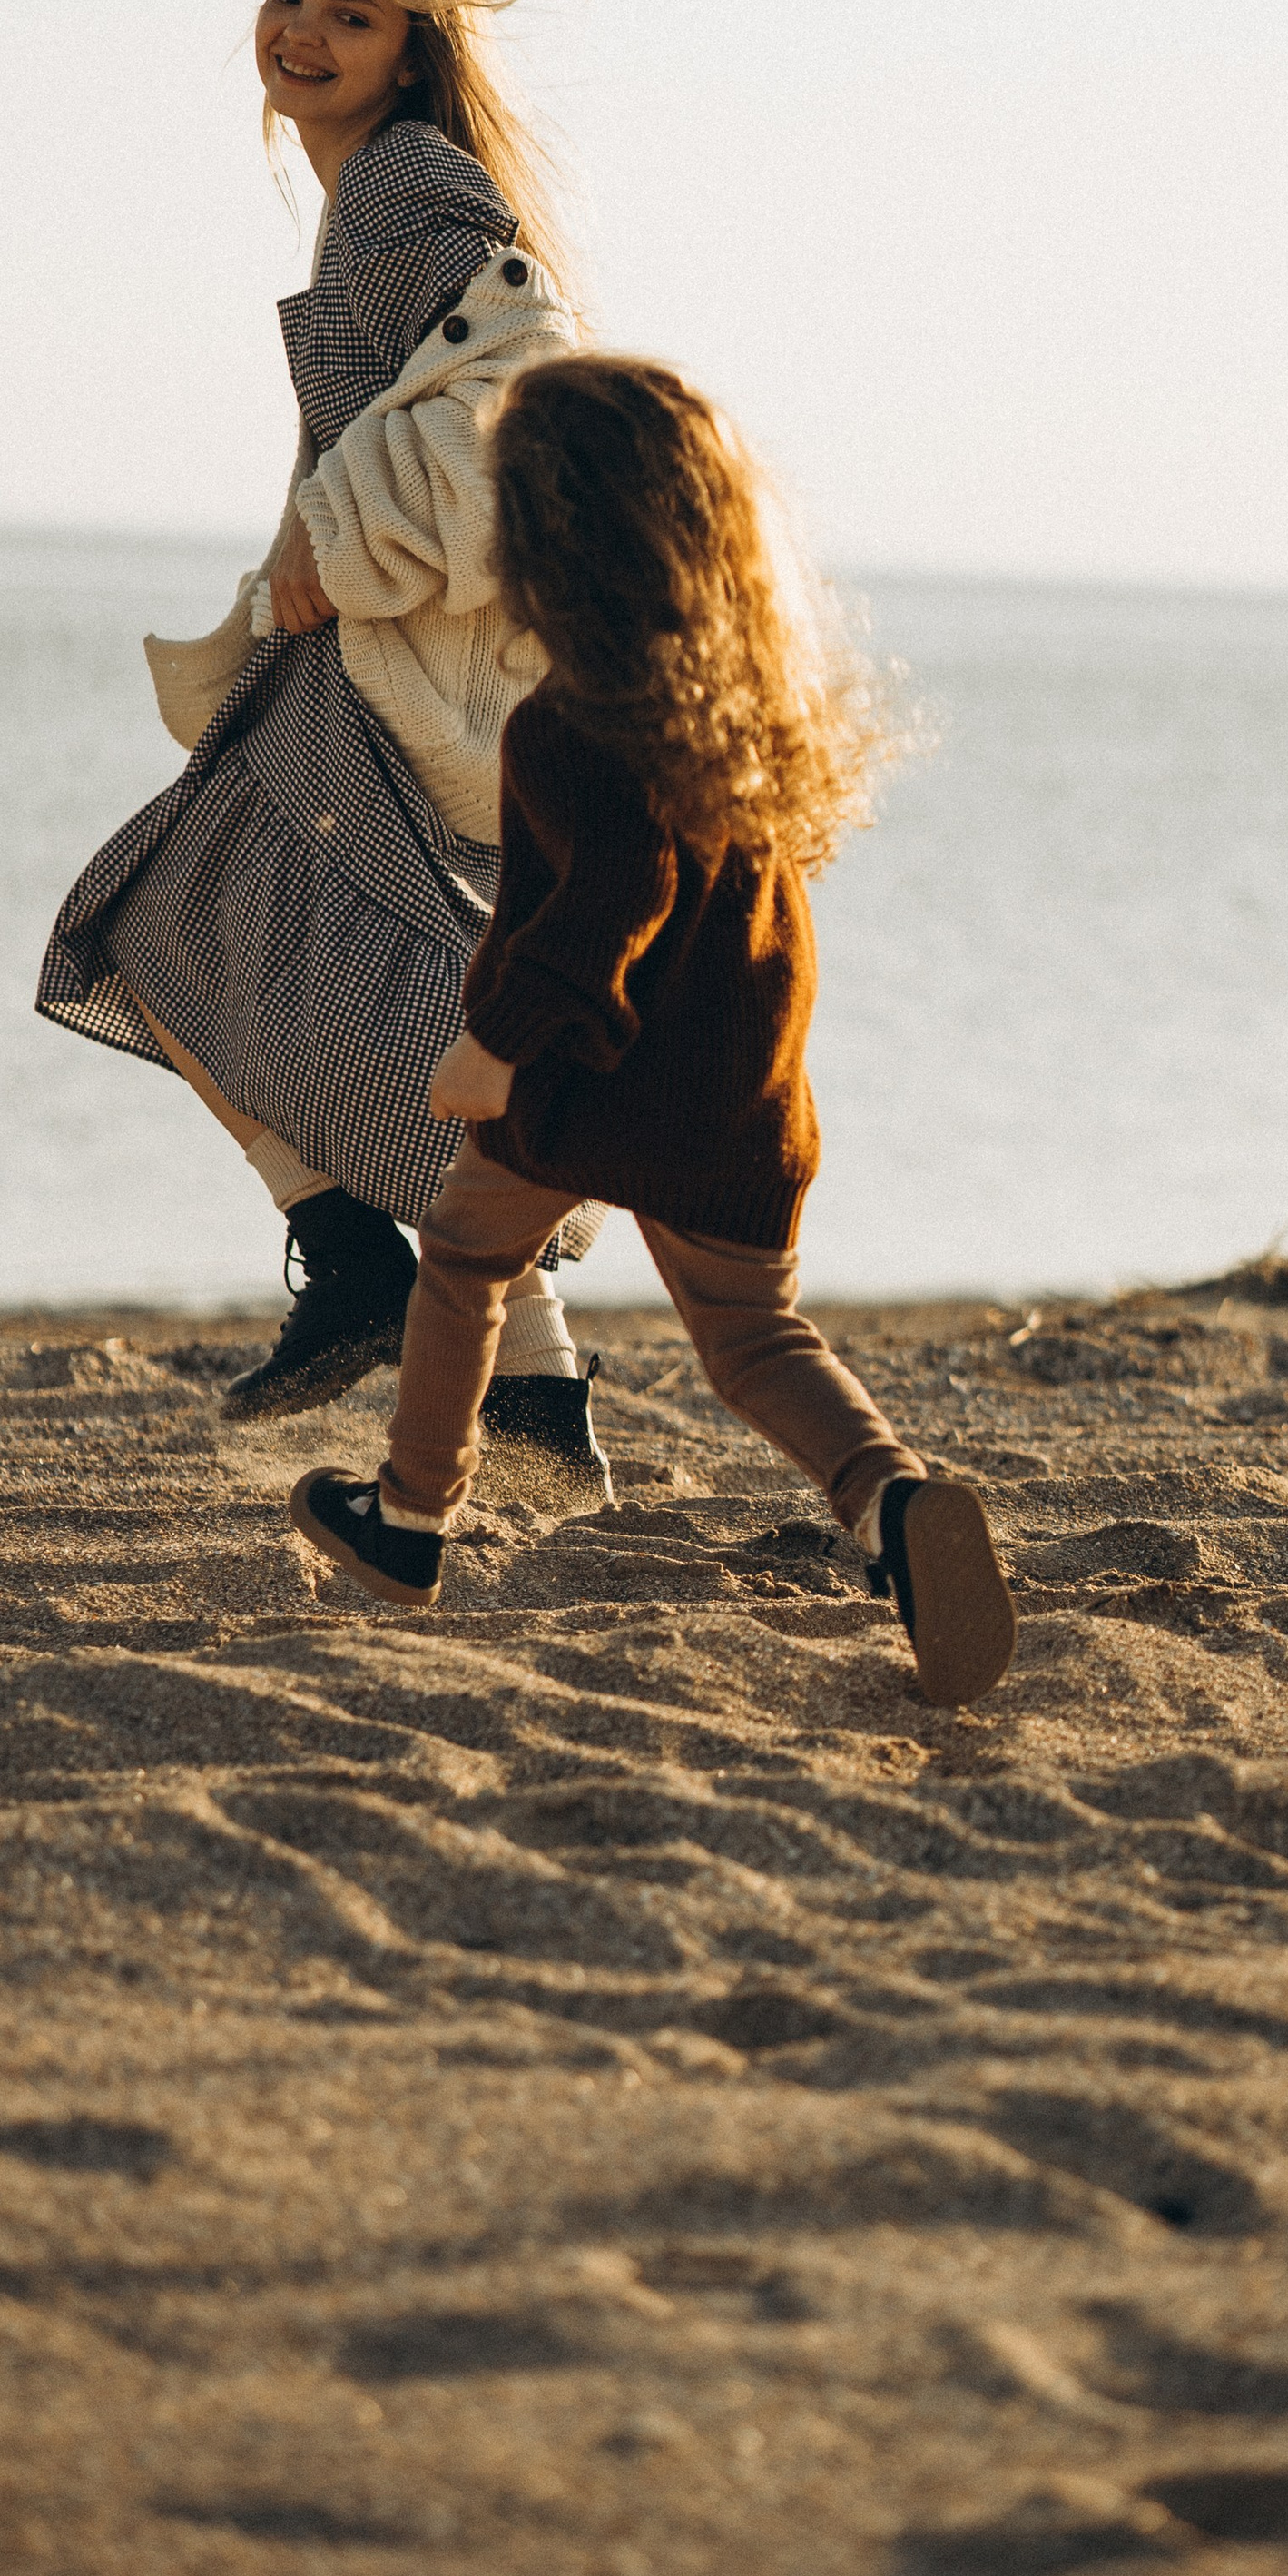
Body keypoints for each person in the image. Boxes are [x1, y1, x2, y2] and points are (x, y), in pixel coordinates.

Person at [285, 356, 1019, 1709]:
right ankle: (893, 1504)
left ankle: (409, 1519)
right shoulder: (735, 726)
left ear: (549, 544)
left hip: (584, 1085)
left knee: (462, 1258)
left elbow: (611, 902)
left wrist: (497, 1045)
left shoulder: (571, 729)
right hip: (734, 1095)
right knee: (754, 1341)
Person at [37, 0, 603, 1468]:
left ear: (411, 50)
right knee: (384, 992)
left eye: (349, 14)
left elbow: (518, 396)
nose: (299, 33)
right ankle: (537, 1394)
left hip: (376, 662)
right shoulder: (372, 185)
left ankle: (354, 1261)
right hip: (366, 660)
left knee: (144, 924)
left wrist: (333, 531)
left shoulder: (411, 186)